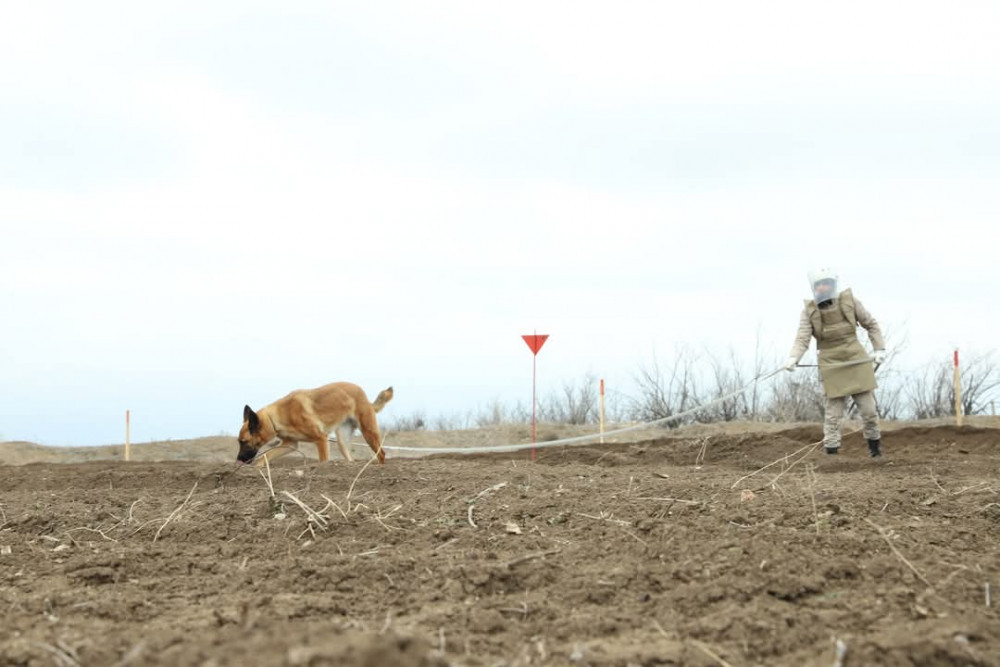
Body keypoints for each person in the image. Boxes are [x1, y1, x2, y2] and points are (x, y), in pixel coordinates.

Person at [784, 268, 887, 457]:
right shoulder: (809, 311)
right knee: (833, 415)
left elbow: (871, 324)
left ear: (833, 284)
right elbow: (802, 338)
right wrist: (793, 357)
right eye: (819, 284)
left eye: (826, 283)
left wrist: (879, 349)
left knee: (869, 411)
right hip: (830, 363)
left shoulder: (850, 302)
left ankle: (875, 451)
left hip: (856, 359)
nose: (823, 287)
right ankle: (831, 454)